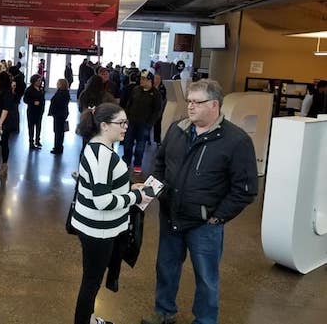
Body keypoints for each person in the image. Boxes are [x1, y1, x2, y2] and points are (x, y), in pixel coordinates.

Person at [141, 79, 258, 324]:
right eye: (189, 101)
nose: (190, 106)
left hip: (204, 225)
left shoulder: (236, 141)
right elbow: (160, 163)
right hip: (171, 216)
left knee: (206, 277)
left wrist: (217, 217)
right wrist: (157, 192)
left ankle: (205, 320)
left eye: (197, 102)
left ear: (214, 105)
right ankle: (164, 312)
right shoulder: (177, 129)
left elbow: (245, 190)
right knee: (166, 268)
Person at [72, 103, 149, 324]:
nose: (126, 127)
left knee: (91, 280)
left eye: (126, 122)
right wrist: (136, 197)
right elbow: (103, 201)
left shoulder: (96, 146)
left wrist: (127, 188)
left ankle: (90, 319)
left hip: (93, 226)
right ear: (104, 125)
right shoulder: (102, 155)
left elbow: (102, 185)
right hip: (98, 230)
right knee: (91, 282)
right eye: (121, 123)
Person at [123, 71, 162, 173]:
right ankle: (126, 161)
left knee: (140, 145)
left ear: (150, 80)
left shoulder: (156, 94)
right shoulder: (136, 90)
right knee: (127, 143)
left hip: (144, 124)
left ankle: (137, 164)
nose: (141, 80)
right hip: (131, 121)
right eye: (141, 78)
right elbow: (129, 103)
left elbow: (157, 111)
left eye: (144, 79)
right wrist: (126, 116)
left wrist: (150, 123)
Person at [48, 78, 70, 154]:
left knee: (58, 132)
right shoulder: (64, 92)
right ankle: (58, 146)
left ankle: (58, 148)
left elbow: (58, 103)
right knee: (59, 131)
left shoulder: (62, 93)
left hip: (59, 114)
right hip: (61, 114)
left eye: (58, 83)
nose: (57, 84)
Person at [23, 74, 45, 150]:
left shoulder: (41, 88)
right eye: (38, 80)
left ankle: (37, 140)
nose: (40, 82)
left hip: (39, 111)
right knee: (31, 127)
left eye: (40, 80)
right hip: (32, 111)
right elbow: (25, 100)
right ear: (34, 81)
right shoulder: (29, 89)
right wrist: (33, 102)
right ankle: (31, 142)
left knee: (39, 126)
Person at [153, 74, 167, 144]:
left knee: (157, 125)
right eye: (155, 79)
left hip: (159, 109)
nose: (156, 80)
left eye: (158, 79)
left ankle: (157, 140)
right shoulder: (151, 87)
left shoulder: (162, 88)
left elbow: (163, 98)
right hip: (151, 109)